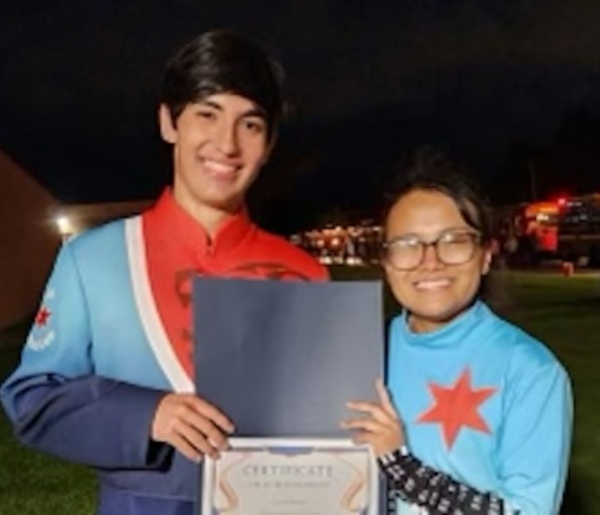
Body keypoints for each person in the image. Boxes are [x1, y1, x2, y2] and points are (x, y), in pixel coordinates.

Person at [1, 30, 327, 515]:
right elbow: (32, 401)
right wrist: (146, 415)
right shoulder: (93, 260)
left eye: (251, 125)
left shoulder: (304, 275)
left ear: (270, 142)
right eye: (206, 114)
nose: (227, 144)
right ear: (168, 122)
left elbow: (326, 429)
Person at [342, 164, 572, 514]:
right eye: (408, 244)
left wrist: (402, 468)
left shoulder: (531, 370)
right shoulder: (359, 350)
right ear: (387, 262)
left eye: (454, 241)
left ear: (485, 256)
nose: (430, 261)